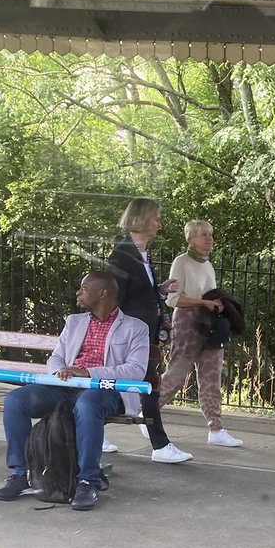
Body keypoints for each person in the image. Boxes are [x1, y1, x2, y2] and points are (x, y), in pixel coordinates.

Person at [0, 271, 149, 512]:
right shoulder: (74, 322)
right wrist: (61, 372)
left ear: (102, 293)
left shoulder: (135, 328)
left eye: (84, 288)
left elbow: (136, 370)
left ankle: (87, 481)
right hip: (65, 386)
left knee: (87, 405)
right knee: (16, 400)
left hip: (104, 389)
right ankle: (21, 473)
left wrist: (88, 373)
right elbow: (56, 358)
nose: (78, 293)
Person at [106, 197, 192, 464]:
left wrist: (160, 291)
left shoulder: (141, 253)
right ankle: (160, 445)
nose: (159, 224)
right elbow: (115, 299)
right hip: (130, 336)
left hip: (143, 333)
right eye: (156, 218)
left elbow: (139, 294)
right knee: (149, 386)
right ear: (142, 219)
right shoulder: (122, 255)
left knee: (139, 386)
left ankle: (91, 430)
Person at [157, 220, 244, 447]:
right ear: (191, 239)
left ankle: (216, 429)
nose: (210, 239)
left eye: (211, 234)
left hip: (209, 321)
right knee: (177, 374)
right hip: (187, 321)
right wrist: (203, 302)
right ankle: (148, 414)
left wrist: (219, 304)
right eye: (204, 235)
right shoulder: (181, 262)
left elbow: (209, 293)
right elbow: (173, 300)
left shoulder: (208, 265)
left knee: (211, 377)